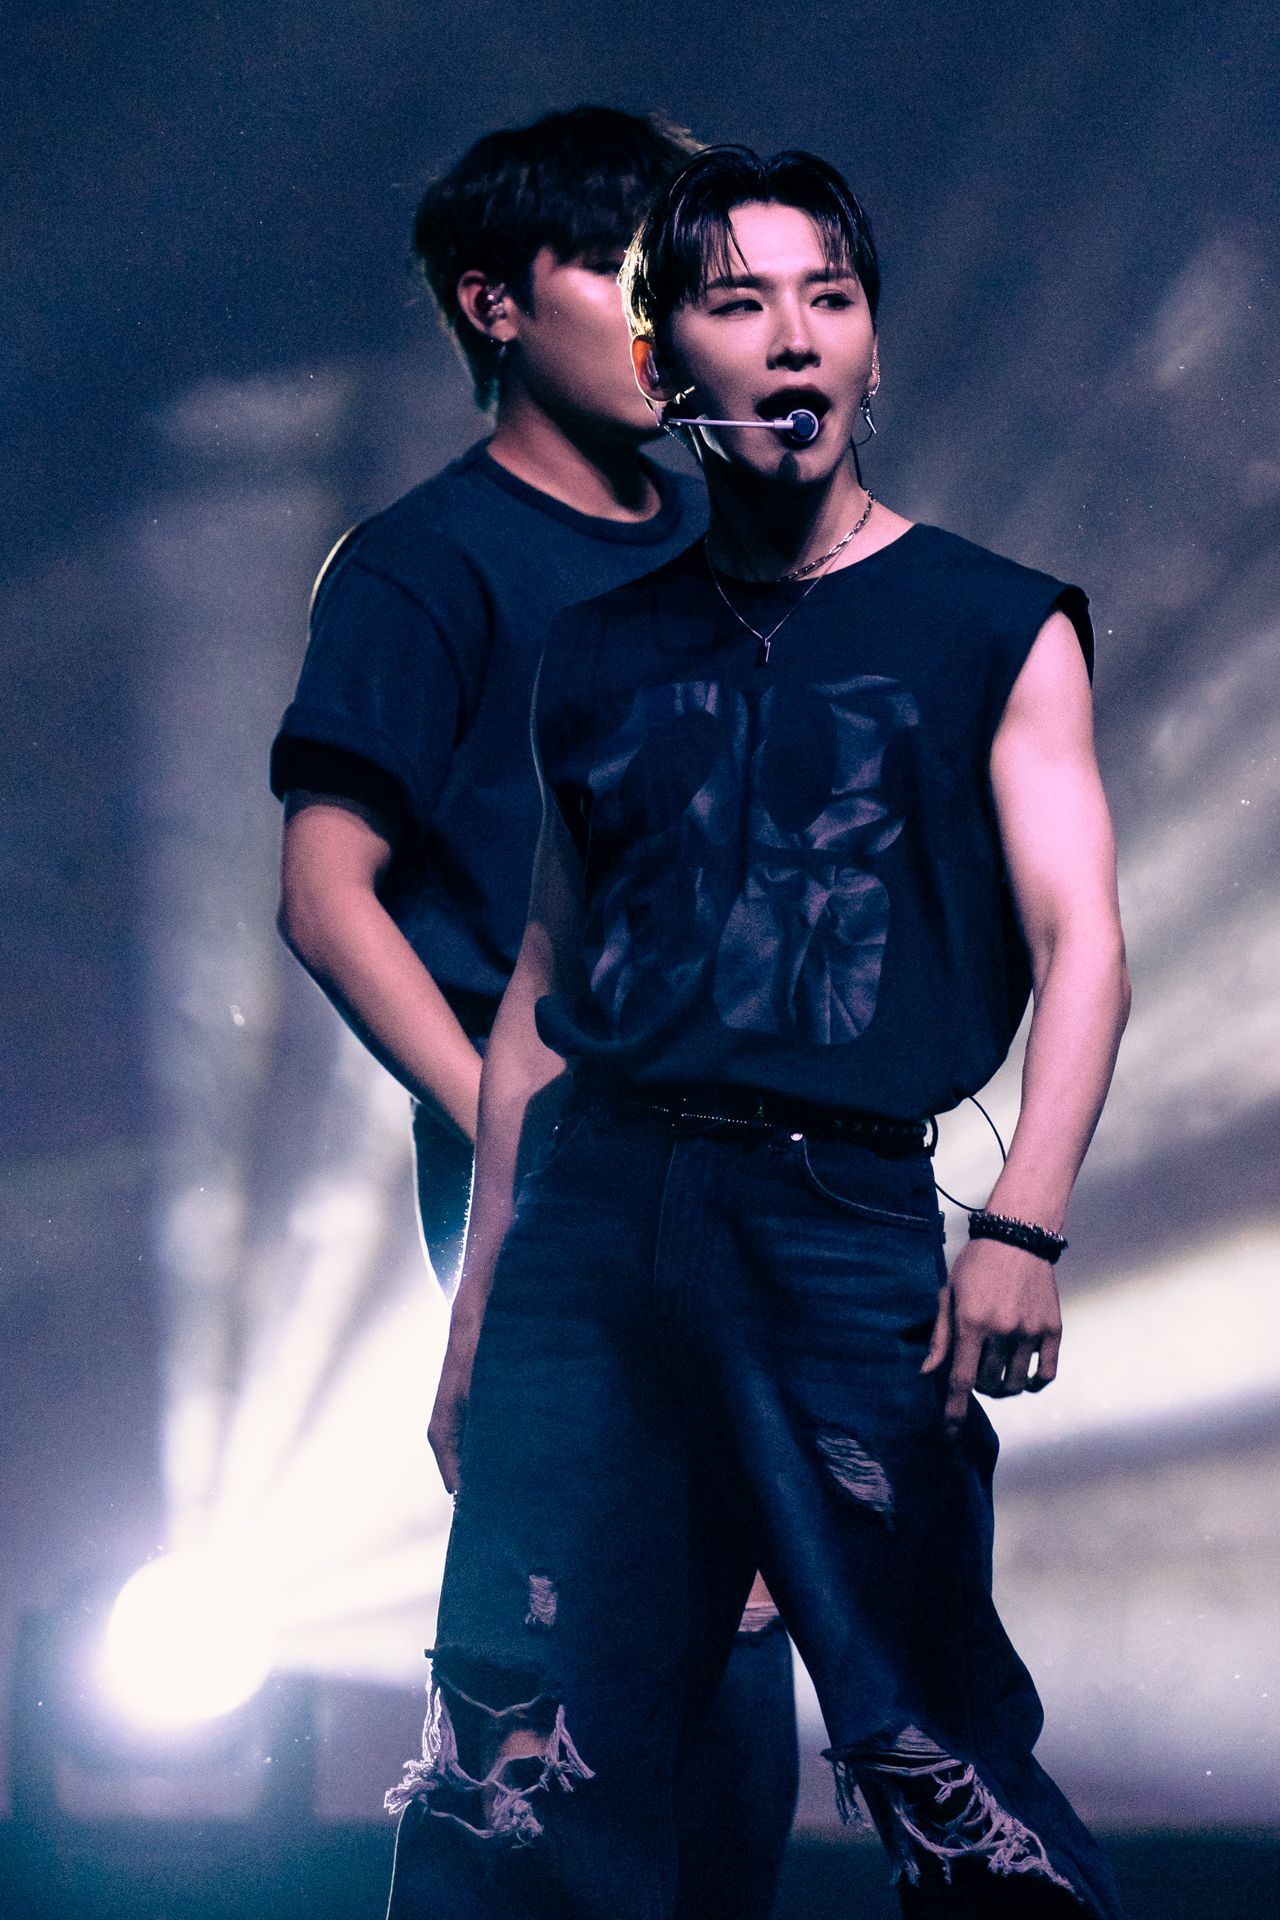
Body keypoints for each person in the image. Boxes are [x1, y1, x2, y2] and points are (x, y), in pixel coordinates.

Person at [418, 145, 1132, 1918]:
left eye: (831, 297)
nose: (795, 338)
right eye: (740, 304)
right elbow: (539, 1001)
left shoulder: (994, 622)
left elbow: (1083, 943)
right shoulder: (595, 651)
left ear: (872, 344)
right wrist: (483, 1306)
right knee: (516, 1760)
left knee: (936, 1747)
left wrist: (1027, 1219)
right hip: (593, 1230)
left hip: (833, 1224)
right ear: (663, 357)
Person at [269, 109, 798, 1919]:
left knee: (739, 1648)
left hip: (747, 1164)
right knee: (568, 1659)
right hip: (551, 1172)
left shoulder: (726, 547)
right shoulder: (428, 562)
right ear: (497, 305)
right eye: (627, 277)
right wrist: (512, 1122)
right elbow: (326, 896)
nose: (675, 323)